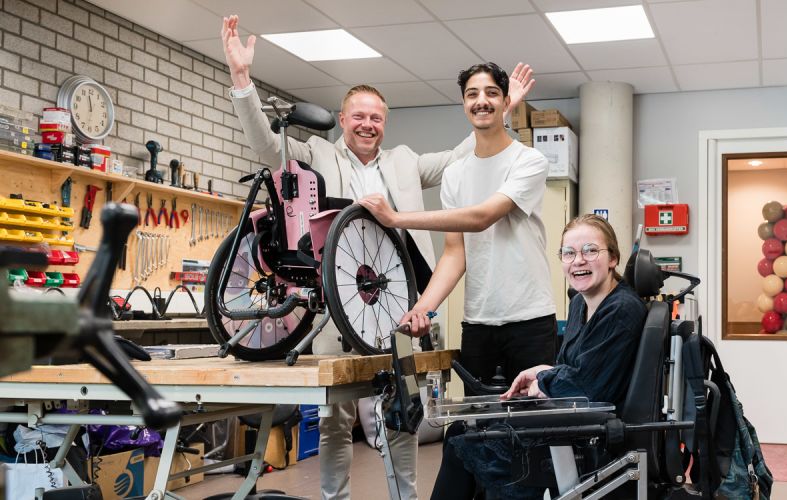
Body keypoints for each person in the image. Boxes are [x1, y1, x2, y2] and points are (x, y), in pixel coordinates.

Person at [221, 15, 534, 500]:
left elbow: (466, 152)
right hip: (335, 311)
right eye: (358, 116)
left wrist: (502, 107)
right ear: (343, 120)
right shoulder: (316, 157)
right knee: (334, 420)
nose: (368, 124)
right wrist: (242, 80)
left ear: (384, 124)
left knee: (402, 417)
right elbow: (265, 144)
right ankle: (335, 497)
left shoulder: (405, 160)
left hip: (396, 309)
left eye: (376, 118)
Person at [359, 62, 558, 394]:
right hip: (478, 324)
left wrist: (396, 218)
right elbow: (455, 253)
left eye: (492, 93)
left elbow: (482, 217)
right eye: (472, 94)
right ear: (464, 104)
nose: (482, 100)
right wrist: (423, 307)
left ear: (506, 102)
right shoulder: (455, 174)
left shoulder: (529, 161)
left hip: (531, 321)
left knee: (532, 429)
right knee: (478, 430)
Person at [431, 214, 648, 499]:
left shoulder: (620, 309)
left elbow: (587, 386)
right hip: (576, 419)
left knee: (466, 436)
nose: (578, 260)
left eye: (590, 250)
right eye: (569, 253)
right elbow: (578, 367)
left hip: (594, 435)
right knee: (462, 429)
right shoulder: (580, 305)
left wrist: (544, 380)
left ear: (613, 259)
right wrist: (542, 372)